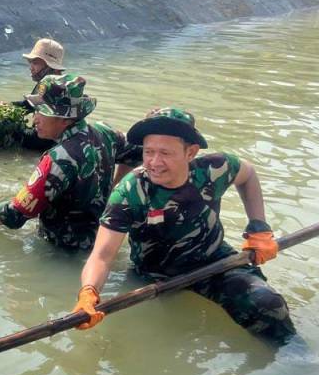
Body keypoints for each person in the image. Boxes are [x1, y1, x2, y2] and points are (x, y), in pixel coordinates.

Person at [70, 107, 295, 343]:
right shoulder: (129, 192)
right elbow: (102, 256)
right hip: (155, 276)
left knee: (270, 306)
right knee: (143, 342)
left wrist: (259, 227)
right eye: (148, 152)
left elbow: (247, 174)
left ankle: (296, 363)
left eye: (165, 153)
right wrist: (89, 292)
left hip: (215, 262)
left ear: (191, 152)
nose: (155, 162)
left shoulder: (213, 170)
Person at [0, 74, 139, 250]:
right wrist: (114, 189)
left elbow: (17, 213)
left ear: (65, 119)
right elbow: (135, 153)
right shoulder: (104, 132)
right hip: (99, 239)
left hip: (61, 249)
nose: (35, 119)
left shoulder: (59, 159)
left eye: (42, 112)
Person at [13, 38, 66, 151]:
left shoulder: (56, 90)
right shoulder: (44, 84)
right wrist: (9, 108)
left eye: (35, 63)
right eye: (30, 62)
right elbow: (28, 105)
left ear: (50, 66)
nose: (31, 67)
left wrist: (13, 130)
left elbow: (42, 139)